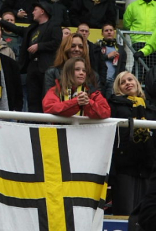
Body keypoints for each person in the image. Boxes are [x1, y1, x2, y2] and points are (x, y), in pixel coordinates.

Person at [0, 1, 62, 113]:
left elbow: (57, 42)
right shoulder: (32, 28)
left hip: (47, 68)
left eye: (35, 10)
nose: (32, 12)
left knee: (46, 99)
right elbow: (16, 29)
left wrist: (39, 46)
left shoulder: (54, 26)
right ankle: (34, 124)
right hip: (32, 68)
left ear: (42, 11)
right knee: (32, 99)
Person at [108, 71, 156, 215]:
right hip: (124, 167)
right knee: (125, 213)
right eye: (122, 82)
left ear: (137, 83)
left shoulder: (151, 108)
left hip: (148, 167)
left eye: (130, 79)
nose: (128, 83)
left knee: (146, 215)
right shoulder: (114, 105)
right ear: (118, 88)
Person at [42, 57, 110, 119]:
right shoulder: (55, 90)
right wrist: (76, 102)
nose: (81, 73)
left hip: (84, 131)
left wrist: (88, 102)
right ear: (68, 72)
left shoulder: (92, 92)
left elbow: (106, 112)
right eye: (77, 69)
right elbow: (49, 108)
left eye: (84, 70)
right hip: (61, 131)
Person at [123, 0, 156, 82]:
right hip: (138, 40)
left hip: (153, 41)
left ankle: (148, 87)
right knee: (139, 66)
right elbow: (126, 23)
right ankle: (135, 86)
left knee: (151, 66)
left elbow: (127, 23)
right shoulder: (133, 6)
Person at [96, 23, 127, 99]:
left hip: (114, 82)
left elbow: (122, 66)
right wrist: (107, 56)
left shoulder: (120, 49)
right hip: (100, 81)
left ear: (114, 32)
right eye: (106, 30)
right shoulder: (97, 46)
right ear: (102, 33)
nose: (109, 32)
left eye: (111, 30)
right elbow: (95, 61)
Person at [77, 23, 107, 93]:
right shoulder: (70, 47)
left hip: (92, 81)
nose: (84, 33)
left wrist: (101, 82)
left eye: (86, 31)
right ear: (77, 32)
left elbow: (103, 66)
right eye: (82, 31)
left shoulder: (96, 48)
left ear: (89, 33)